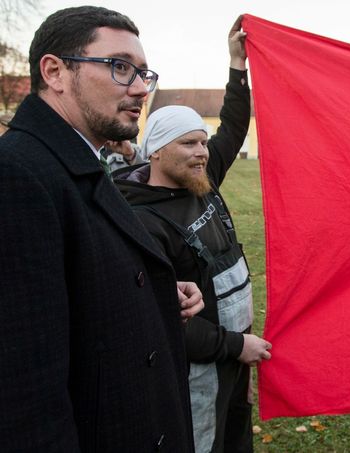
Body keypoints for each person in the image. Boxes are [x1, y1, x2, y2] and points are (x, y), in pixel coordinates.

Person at [0, 7, 204, 451]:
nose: (139, 88)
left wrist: (149, 291)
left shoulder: (75, 159)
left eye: (143, 73)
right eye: (119, 67)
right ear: (55, 72)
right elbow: (24, 392)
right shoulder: (17, 174)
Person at [115, 16, 271, 453]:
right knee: (203, 441)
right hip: (194, 368)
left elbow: (235, 124)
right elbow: (162, 320)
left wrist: (236, 64)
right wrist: (237, 345)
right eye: (189, 144)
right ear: (158, 151)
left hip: (234, 355)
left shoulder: (201, 178)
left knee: (237, 435)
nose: (203, 152)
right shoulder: (141, 221)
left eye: (203, 142)